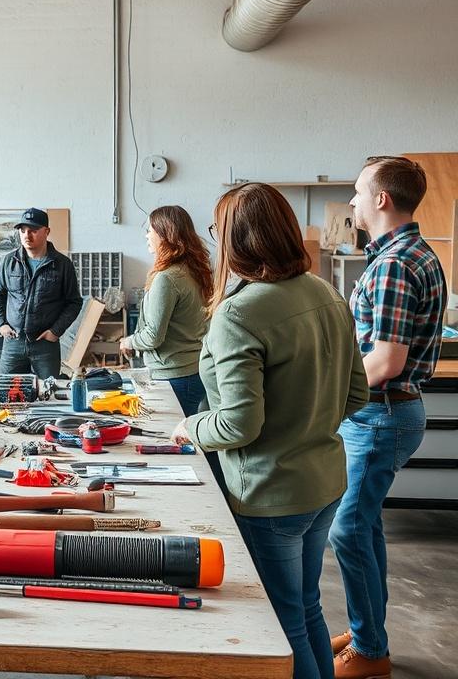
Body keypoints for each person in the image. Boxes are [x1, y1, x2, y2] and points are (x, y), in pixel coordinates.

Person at [171, 183, 368, 679]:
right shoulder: (325, 291)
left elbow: (239, 423)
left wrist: (189, 426)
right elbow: (357, 396)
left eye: (218, 231)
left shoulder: (241, 312)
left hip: (270, 492)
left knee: (284, 624)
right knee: (307, 608)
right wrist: (308, 423)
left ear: (236, 238)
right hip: (323, 481)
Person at [328, 157, 445, 679]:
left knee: (347, 531)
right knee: (366, 527)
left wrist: (329, 397)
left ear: (381, 200)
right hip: (387, 412)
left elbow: (386, 361)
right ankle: (366, 629)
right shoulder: (408, 254)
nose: (351, 202)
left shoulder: (395, 263)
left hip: (382, 414)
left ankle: (371, 653)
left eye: (357, 192)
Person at [119, 205, 213, 416]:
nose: (146, 235)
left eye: (150, 230)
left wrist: (129, 341)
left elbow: (153, 336)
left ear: (164, 234)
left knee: (174, 441)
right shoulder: (194, 270)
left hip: (174, 375)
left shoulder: (167, 278)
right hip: (193, 370)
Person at [0, 208, 81, 379]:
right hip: (13, 342)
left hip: (45, 344)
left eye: (33, 230)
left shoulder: (62, 264)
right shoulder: (9, 262)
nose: (26, 235)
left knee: (49, 393)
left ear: (47, 231)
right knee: (7, 391)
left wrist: (55, 331)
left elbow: (74, 302)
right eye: (22, 230)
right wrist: (1, 323)